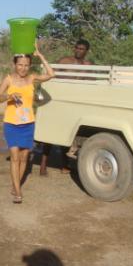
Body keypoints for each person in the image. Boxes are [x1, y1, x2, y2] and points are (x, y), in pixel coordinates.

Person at [0, 42, 54, 203]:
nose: (23, 68)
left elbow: (51, 74)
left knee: (24, 157)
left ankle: (15, 184)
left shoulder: (32, 78)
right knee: (14, 156)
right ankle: (18, 190)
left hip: (28, 124)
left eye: (26, 65)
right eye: (20, 64)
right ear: (15, 64)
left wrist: (40, 55)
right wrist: (9, 96)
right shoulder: (8, 79)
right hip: (11, 124)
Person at [40, 39, 92, 176]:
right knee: (50, 134)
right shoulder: (65, 61)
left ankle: (64, 165)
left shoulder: (89, 65)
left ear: (87, 51)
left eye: (82, 49)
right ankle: (43, 165)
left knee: (67, 135)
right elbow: (50, 74)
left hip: (75, 103)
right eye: (77, 48)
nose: (78, 51)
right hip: (59, 100)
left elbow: (92, 84)